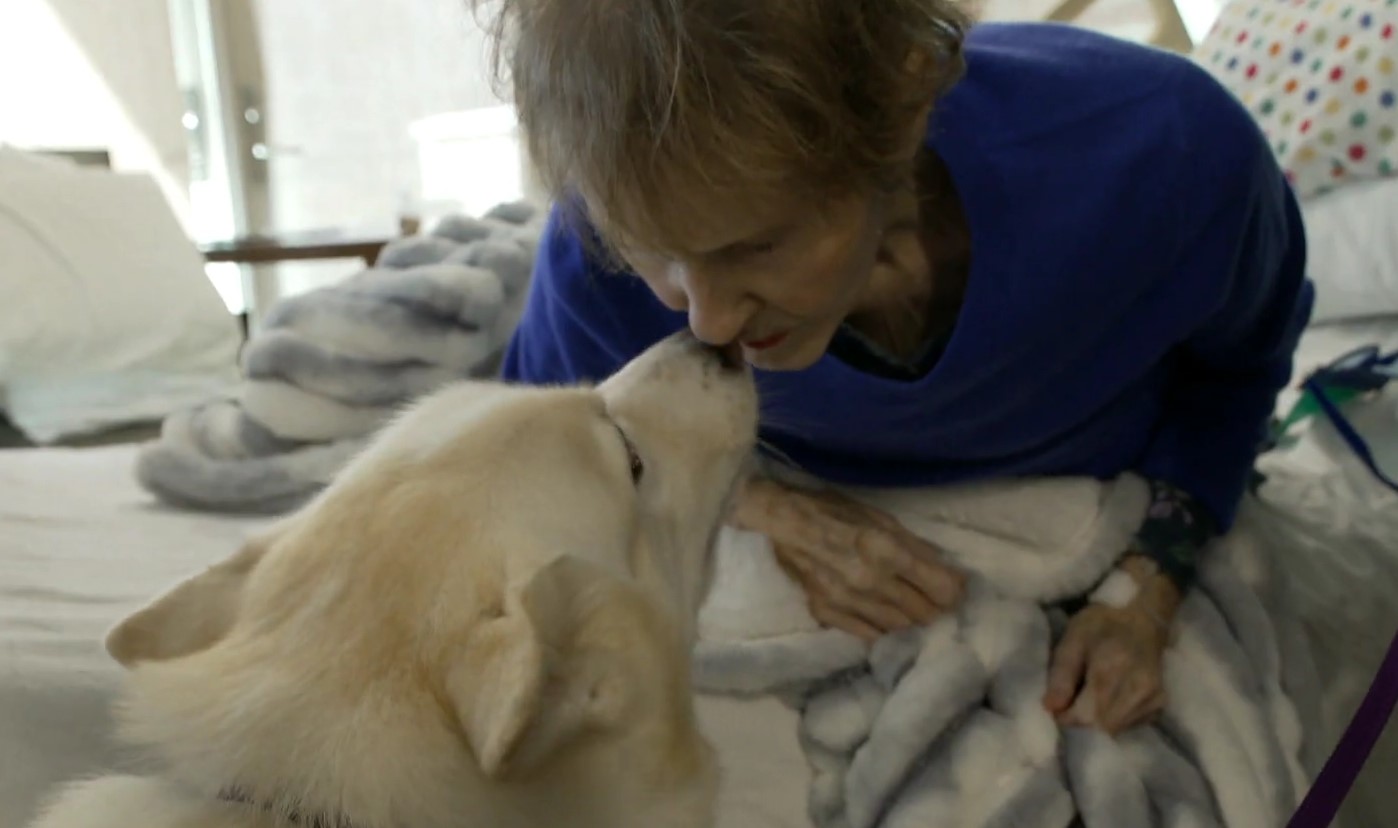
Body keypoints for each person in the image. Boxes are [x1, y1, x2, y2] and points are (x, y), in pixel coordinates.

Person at [471, 0, 1313, 735]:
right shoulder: (595, 246)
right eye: (655, 255)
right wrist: (766, 507)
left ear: (905, 106)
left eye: (757, 244)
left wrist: (1148, 589)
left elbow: (1240, 373)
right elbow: (544, 456)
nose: (707, 321)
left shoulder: (1167, 153)